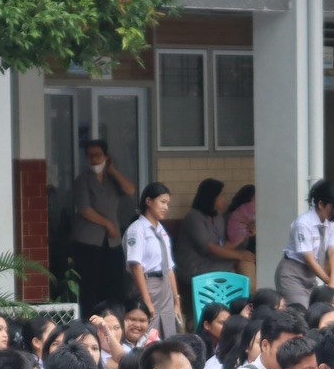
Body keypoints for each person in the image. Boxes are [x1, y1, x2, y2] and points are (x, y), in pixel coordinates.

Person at [71, 139, 136, 316]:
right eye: (90, 156)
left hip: (112, 241)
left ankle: (113, 318)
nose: (94, 159)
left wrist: (113, 171)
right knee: (90, 285)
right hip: (88, 240)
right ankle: (90, 319)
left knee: (114, 283)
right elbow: (84, 209)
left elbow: (130, 190)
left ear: (106, 157)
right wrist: (107, 224)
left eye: (98, 155)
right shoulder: (82, 179)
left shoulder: (111, 179)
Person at [274, 180, 334, 307]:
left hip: (311, 276)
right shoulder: (303, 223)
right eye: (333, 207)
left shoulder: (332, 222)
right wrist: (330, 282)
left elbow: (333, 250)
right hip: (292, 274)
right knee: (301, 311)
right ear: (321, 204)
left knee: (318, 311)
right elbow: (308, 259)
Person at [124, 182, 182, 339]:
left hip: (165, 286)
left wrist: (176, 299)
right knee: (147, 333)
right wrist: (147, 300)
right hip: (148, 284)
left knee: (168, 332)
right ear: (149, 201)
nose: (165, 207)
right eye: (162, 202)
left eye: (167, 203)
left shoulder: (161, 230)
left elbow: (169, 267)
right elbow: (136, 266)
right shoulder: (137, 229)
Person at [174, 178, 257, 288]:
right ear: (211, 197)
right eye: (222, 195)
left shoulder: (218, 217)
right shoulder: (193, 218)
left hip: (213, 261)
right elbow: (209, 248)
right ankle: (250, 296)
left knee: (246, 261)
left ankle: (252, 296)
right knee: (240, 262)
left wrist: (245, 234)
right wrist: (240, 255)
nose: (224, 199)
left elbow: (223, 247)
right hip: (194, 267)